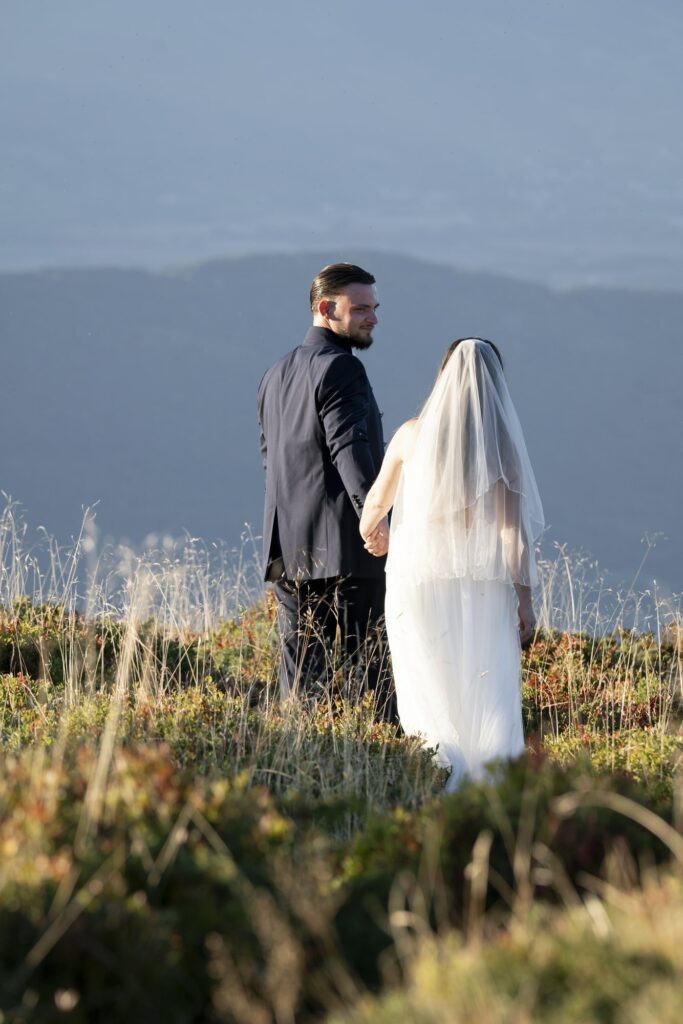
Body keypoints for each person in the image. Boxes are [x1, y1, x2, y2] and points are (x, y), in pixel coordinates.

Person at [359, 338, 544, 787]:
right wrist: (525, 600)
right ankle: (491, 783)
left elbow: (373, 508)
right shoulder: (502, 450)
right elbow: (512, 533)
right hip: (483, 584)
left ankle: (436, 777)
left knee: (428, 679)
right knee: (486, 686)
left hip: (417, 581)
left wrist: (378, 537)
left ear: (442, 378)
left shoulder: (409, 434)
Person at [257, 263, 396, 720]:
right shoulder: (342, 369)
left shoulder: (275, 375)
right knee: (369, 675)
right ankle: (377, 767)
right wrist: (374, 521)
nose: (372, 317)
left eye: (374, 308)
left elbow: (270, 458)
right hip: (349, 552)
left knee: (300, 684)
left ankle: (300, 767)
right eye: (360, 309)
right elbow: (349, 451)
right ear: (325, 308)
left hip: (290, 552)